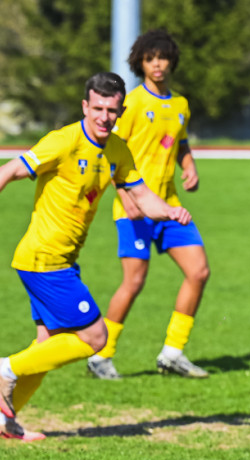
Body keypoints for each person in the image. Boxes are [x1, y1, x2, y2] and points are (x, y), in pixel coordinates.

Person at [0, 73, 192, 441]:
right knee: (95, 337)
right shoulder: (64, 141)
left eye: (112, 110)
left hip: (58, 260)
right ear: (85, 107)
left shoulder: (118, 150)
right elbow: (8, 170)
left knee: (47, 346)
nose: (105, 117)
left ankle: (1, 421)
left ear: (121, 110)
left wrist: (170, 211)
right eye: (98, 109)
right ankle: (4, 369)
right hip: (45, 260)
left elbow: (142, 197)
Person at [86, 29, 210, 380]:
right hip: (133, 208)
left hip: (169, 206)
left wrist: (190, 167)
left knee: (198, 272)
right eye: (150, 58)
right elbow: (112, 154)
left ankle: (173, 353)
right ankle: (101, 356)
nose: (157, 65)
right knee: (134, 282)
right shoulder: (133, 103)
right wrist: (126, 197)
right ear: (140, 63)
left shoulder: (181, 105)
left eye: (163, 58)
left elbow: (180, 143)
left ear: (172, 61)